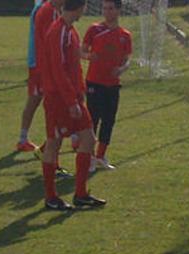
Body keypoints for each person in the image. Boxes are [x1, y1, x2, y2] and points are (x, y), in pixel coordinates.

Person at [40, 0, 105, 210]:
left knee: (87, 138)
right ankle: (52, 197)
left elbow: (72, 65)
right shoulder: (59, 31)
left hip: (71, 97)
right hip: (59, 98)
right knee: (54, 143)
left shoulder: (69, 30)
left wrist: (79, 93)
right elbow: (58, 69)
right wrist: (70, 101)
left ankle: (81, 193)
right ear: (80, 7)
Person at [81, 0, 132, 172]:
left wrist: (122, 69)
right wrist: (89, 57)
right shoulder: (94, 29)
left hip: (113, 84)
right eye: (104, 8)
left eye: (111, 8)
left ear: (118, 10)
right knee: (92, 119)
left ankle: (101, 156)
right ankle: (89, 158)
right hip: (94, 82)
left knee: (109, 120)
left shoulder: (125, 35)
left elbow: (127, 59)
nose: (107, 11)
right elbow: (81, 51)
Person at [16, 0, 53, 153]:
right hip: (39, 63)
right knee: (38, 99)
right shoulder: (43, 9)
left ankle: (24, 139)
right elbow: (44, 38)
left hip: (41, 62)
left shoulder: (45, 6)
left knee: (40, 100)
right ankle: (24, 139)